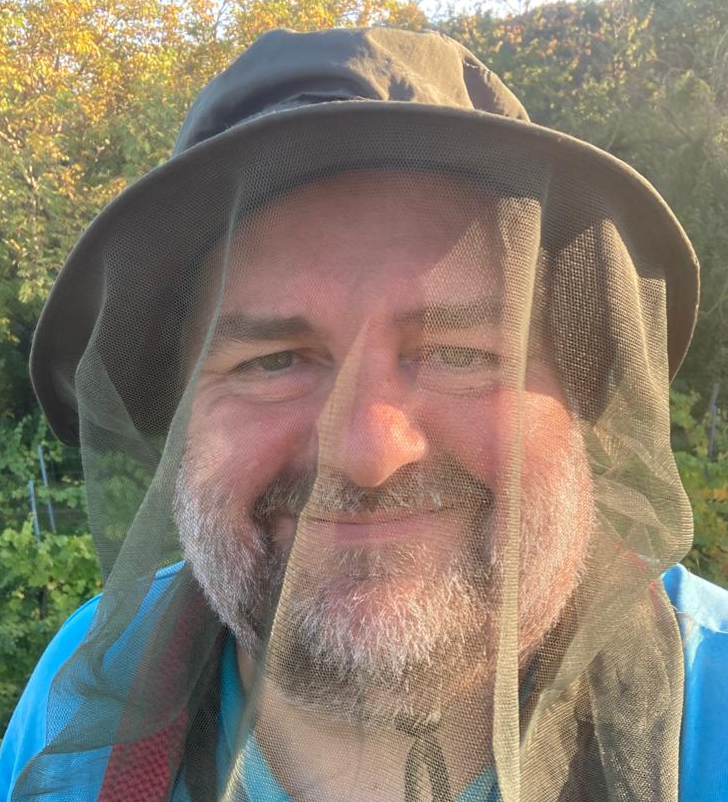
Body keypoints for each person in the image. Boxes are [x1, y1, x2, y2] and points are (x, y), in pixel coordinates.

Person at [1, 26, 727, 802]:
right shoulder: (80, 690)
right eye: (272, 362)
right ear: (183, 420)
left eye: (459, 354)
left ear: (578, 395)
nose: (369, 453)